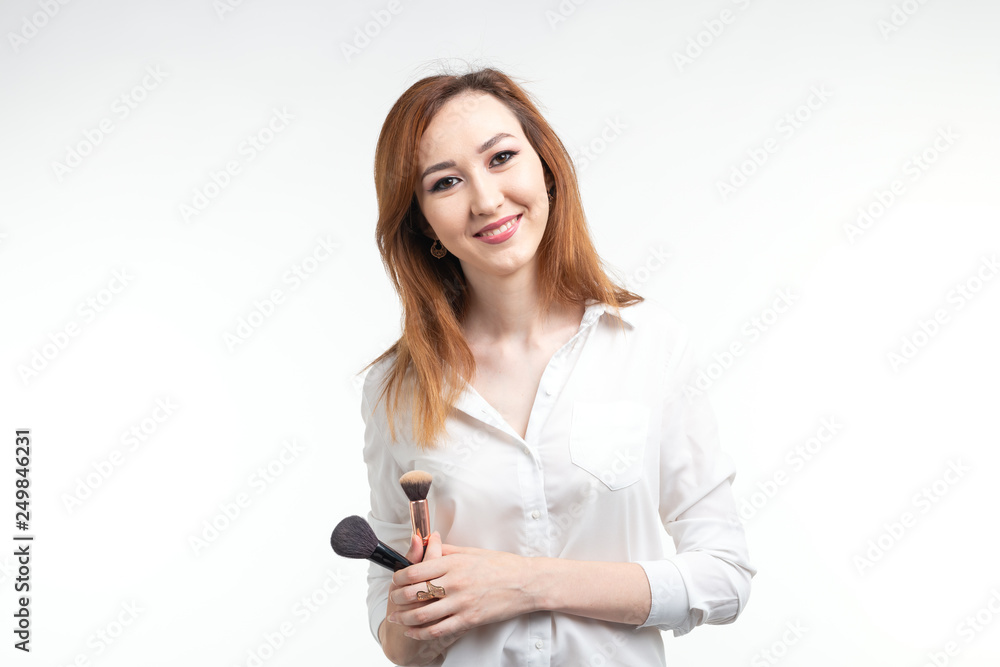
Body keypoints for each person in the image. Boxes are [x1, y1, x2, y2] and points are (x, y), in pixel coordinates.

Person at [358, 66, 755, 666]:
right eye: (445, 182)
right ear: (422, 221)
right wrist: (417, 618)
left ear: (545, 168)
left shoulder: (649, 344)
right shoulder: (396, 389)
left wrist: (524, 583)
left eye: (501, 158)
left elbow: (724, 576)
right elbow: (397, 639)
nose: (486, 200)